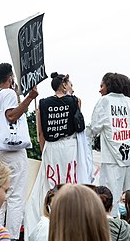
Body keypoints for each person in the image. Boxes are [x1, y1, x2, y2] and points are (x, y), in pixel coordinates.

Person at [0, 63, 38, 240]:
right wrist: (30, 98)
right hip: (12, 148)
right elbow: (11, 115)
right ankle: (12, 236)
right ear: (10, 77)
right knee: (15, 195)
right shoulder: (9, 93)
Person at [25, 72, 80, 238]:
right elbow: (78, 125)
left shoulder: (42, 103)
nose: (72, 87)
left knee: (50, 183)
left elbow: (40, 132)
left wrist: (44, 151)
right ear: (64, 85)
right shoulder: (75, 101)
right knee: (69, 180)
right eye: (70, 83)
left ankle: (49, 215)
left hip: (51, 148)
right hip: (69, 146)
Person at [90, 72, 130, 217]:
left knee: (109, 198)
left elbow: (94, 127)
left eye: (102, 85)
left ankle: (111, 231)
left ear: (109, 85)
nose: (100, 90)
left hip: (110, 158)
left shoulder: (104, 102)